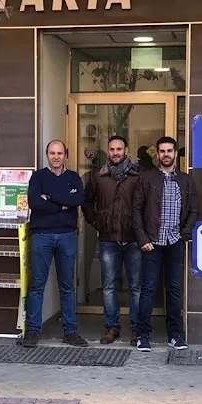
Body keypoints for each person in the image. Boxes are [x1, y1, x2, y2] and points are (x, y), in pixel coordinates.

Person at [132, 136, 198, 353]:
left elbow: (193, 210)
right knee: (148, 290)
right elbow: (137, 210)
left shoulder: (186, 180)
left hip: (174, 242)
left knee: (174, 290)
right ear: (157, 154)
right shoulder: (146, 178)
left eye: (170, 150)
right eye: (162, 151)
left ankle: (175, 335)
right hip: (152, 242)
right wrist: (143, 239)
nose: (166, 154)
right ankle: (143, 335)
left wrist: (184, 234)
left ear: (175, 153)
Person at [21, 140, 88, 348]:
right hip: (42, 236)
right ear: (47, 155)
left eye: (59, 153)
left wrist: (49, 197)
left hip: (67, 236)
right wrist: (63, 202)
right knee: (37, 285)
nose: (56, 157)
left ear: (65, 154)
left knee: (67, 286)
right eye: (52, 153)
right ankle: (32, 331)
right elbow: (35, 203)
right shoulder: (38, 177)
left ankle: (70, 332)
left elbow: (78, 201)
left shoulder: (73, 177)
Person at [82, 135, 143, 345]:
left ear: (126, 150)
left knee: (136, 287)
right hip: (108, 239)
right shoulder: (98, 176)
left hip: (134, 239)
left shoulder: (138, 175)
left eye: (119, 149)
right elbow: (87, 203)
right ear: (108, 151)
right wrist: (98, 223)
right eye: (112, 149)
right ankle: (111, 328)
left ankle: (137, 330)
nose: (115, 152)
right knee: (109, 287)